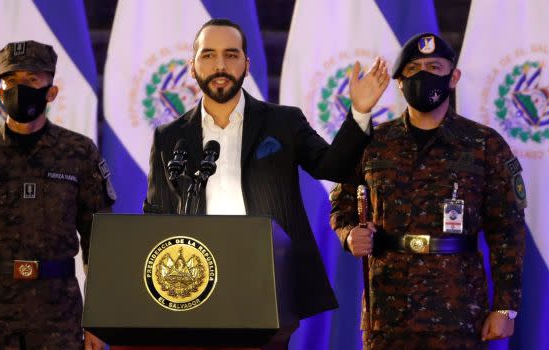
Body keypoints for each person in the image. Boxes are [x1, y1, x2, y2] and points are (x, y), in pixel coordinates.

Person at [145, 18, 388, 349]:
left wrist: (359, 112)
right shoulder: (169, 136)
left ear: (247, 64)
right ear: (192, 66)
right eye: (208, 55)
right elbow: (156, 217)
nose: (220, 65)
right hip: (194, 284)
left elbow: (333, 166)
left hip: (267, 282)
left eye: (231, 55)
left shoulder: (284, 122)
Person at [329, 33, 526, 349]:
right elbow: (342, 204)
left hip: (458, 311)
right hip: (387, 312)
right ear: (399, 82)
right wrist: (350, 234)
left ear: (454, 76)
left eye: (435, 67)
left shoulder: (484, 144)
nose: (424, 75)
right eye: (413, 69)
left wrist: (504, 307)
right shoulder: (373, 142)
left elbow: (508, 231)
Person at [0, 40, 115, 350]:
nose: (20, 88)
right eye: (12, 80)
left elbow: (100, 240)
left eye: (32, 80)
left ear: (51, 92)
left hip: (59, 308)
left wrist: (98, 321)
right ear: (0, 92)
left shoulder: (79, 152)